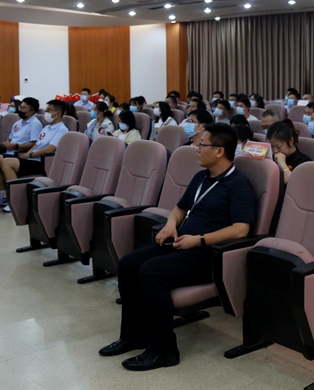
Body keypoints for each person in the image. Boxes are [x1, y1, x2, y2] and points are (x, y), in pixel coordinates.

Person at [100, 123, 256, 371]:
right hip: (183, 243)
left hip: (210, 254)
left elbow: (241, 229)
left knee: (151, 272)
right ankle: (133, 336)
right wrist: (171, 225)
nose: (197, 149)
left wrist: (200, 239)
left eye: (202, 145)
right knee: (128, 264)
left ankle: (163, 351)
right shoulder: (201, 177)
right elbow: (180, 209)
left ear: (219, 151)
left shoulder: (238, 184)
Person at [0, 97, 42, 210]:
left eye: (24, 108)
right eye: (20, 107)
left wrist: (16, 146)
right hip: (11, 152)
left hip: (23, 155)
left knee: (5, 162)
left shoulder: (35, 124)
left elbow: (34, 144)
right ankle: (3, 195)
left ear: (31, 111)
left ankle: (14, 199)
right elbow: (10, 138)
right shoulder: (18, 123)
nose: (20, 110)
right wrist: (6, 143)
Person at [267, 120, 312, 185]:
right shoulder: (272, 158)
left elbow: (294, 186)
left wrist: (283, 164)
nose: (275, 151)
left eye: (278, 147)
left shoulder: (304, 164)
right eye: (272, 146)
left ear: (291, 140)